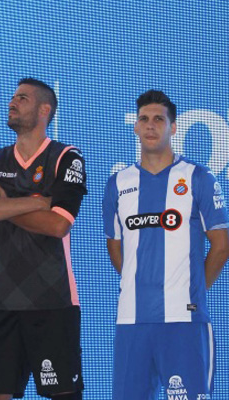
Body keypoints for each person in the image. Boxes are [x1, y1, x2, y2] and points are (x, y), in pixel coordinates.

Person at [0, 78, 86, 400]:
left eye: (22, 98)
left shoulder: (66, 157)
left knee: (64, 394)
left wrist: (2, 205)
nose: (12, 102)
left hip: (52, 298)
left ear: (45, 110)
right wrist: (34, 201)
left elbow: (58, 225)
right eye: (12, 97)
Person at [103, 90, 229, 399]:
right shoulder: (117, 184)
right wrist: (138, 283)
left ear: (173, 127)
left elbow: (222, 245)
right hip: (132, 321)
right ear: (135, 127)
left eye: (159, 119)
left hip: (184, 320)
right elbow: (115, 246)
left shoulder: (198, 177)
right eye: (144, 119)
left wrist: (193, 287)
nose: (150, 125)